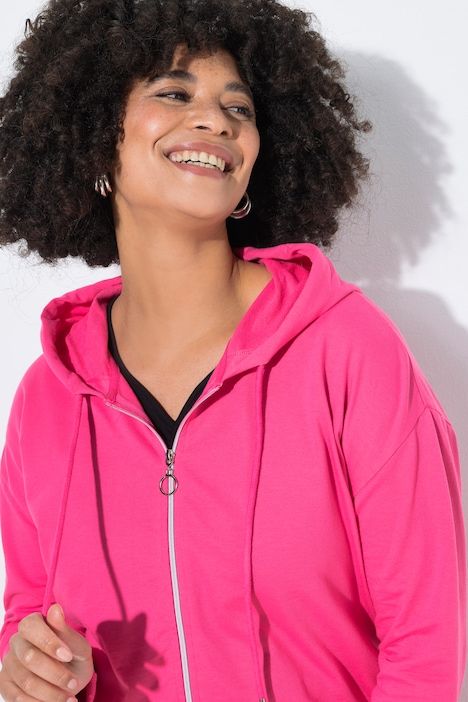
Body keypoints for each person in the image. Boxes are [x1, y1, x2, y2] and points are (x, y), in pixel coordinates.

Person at [0, 0, 465, 700]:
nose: (216, 120)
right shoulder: (47, 398)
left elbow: (425, 645)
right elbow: (28, 616)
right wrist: (31, 666)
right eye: (173, 93)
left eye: (238, 108)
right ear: (94, 138)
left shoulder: (345, 351)